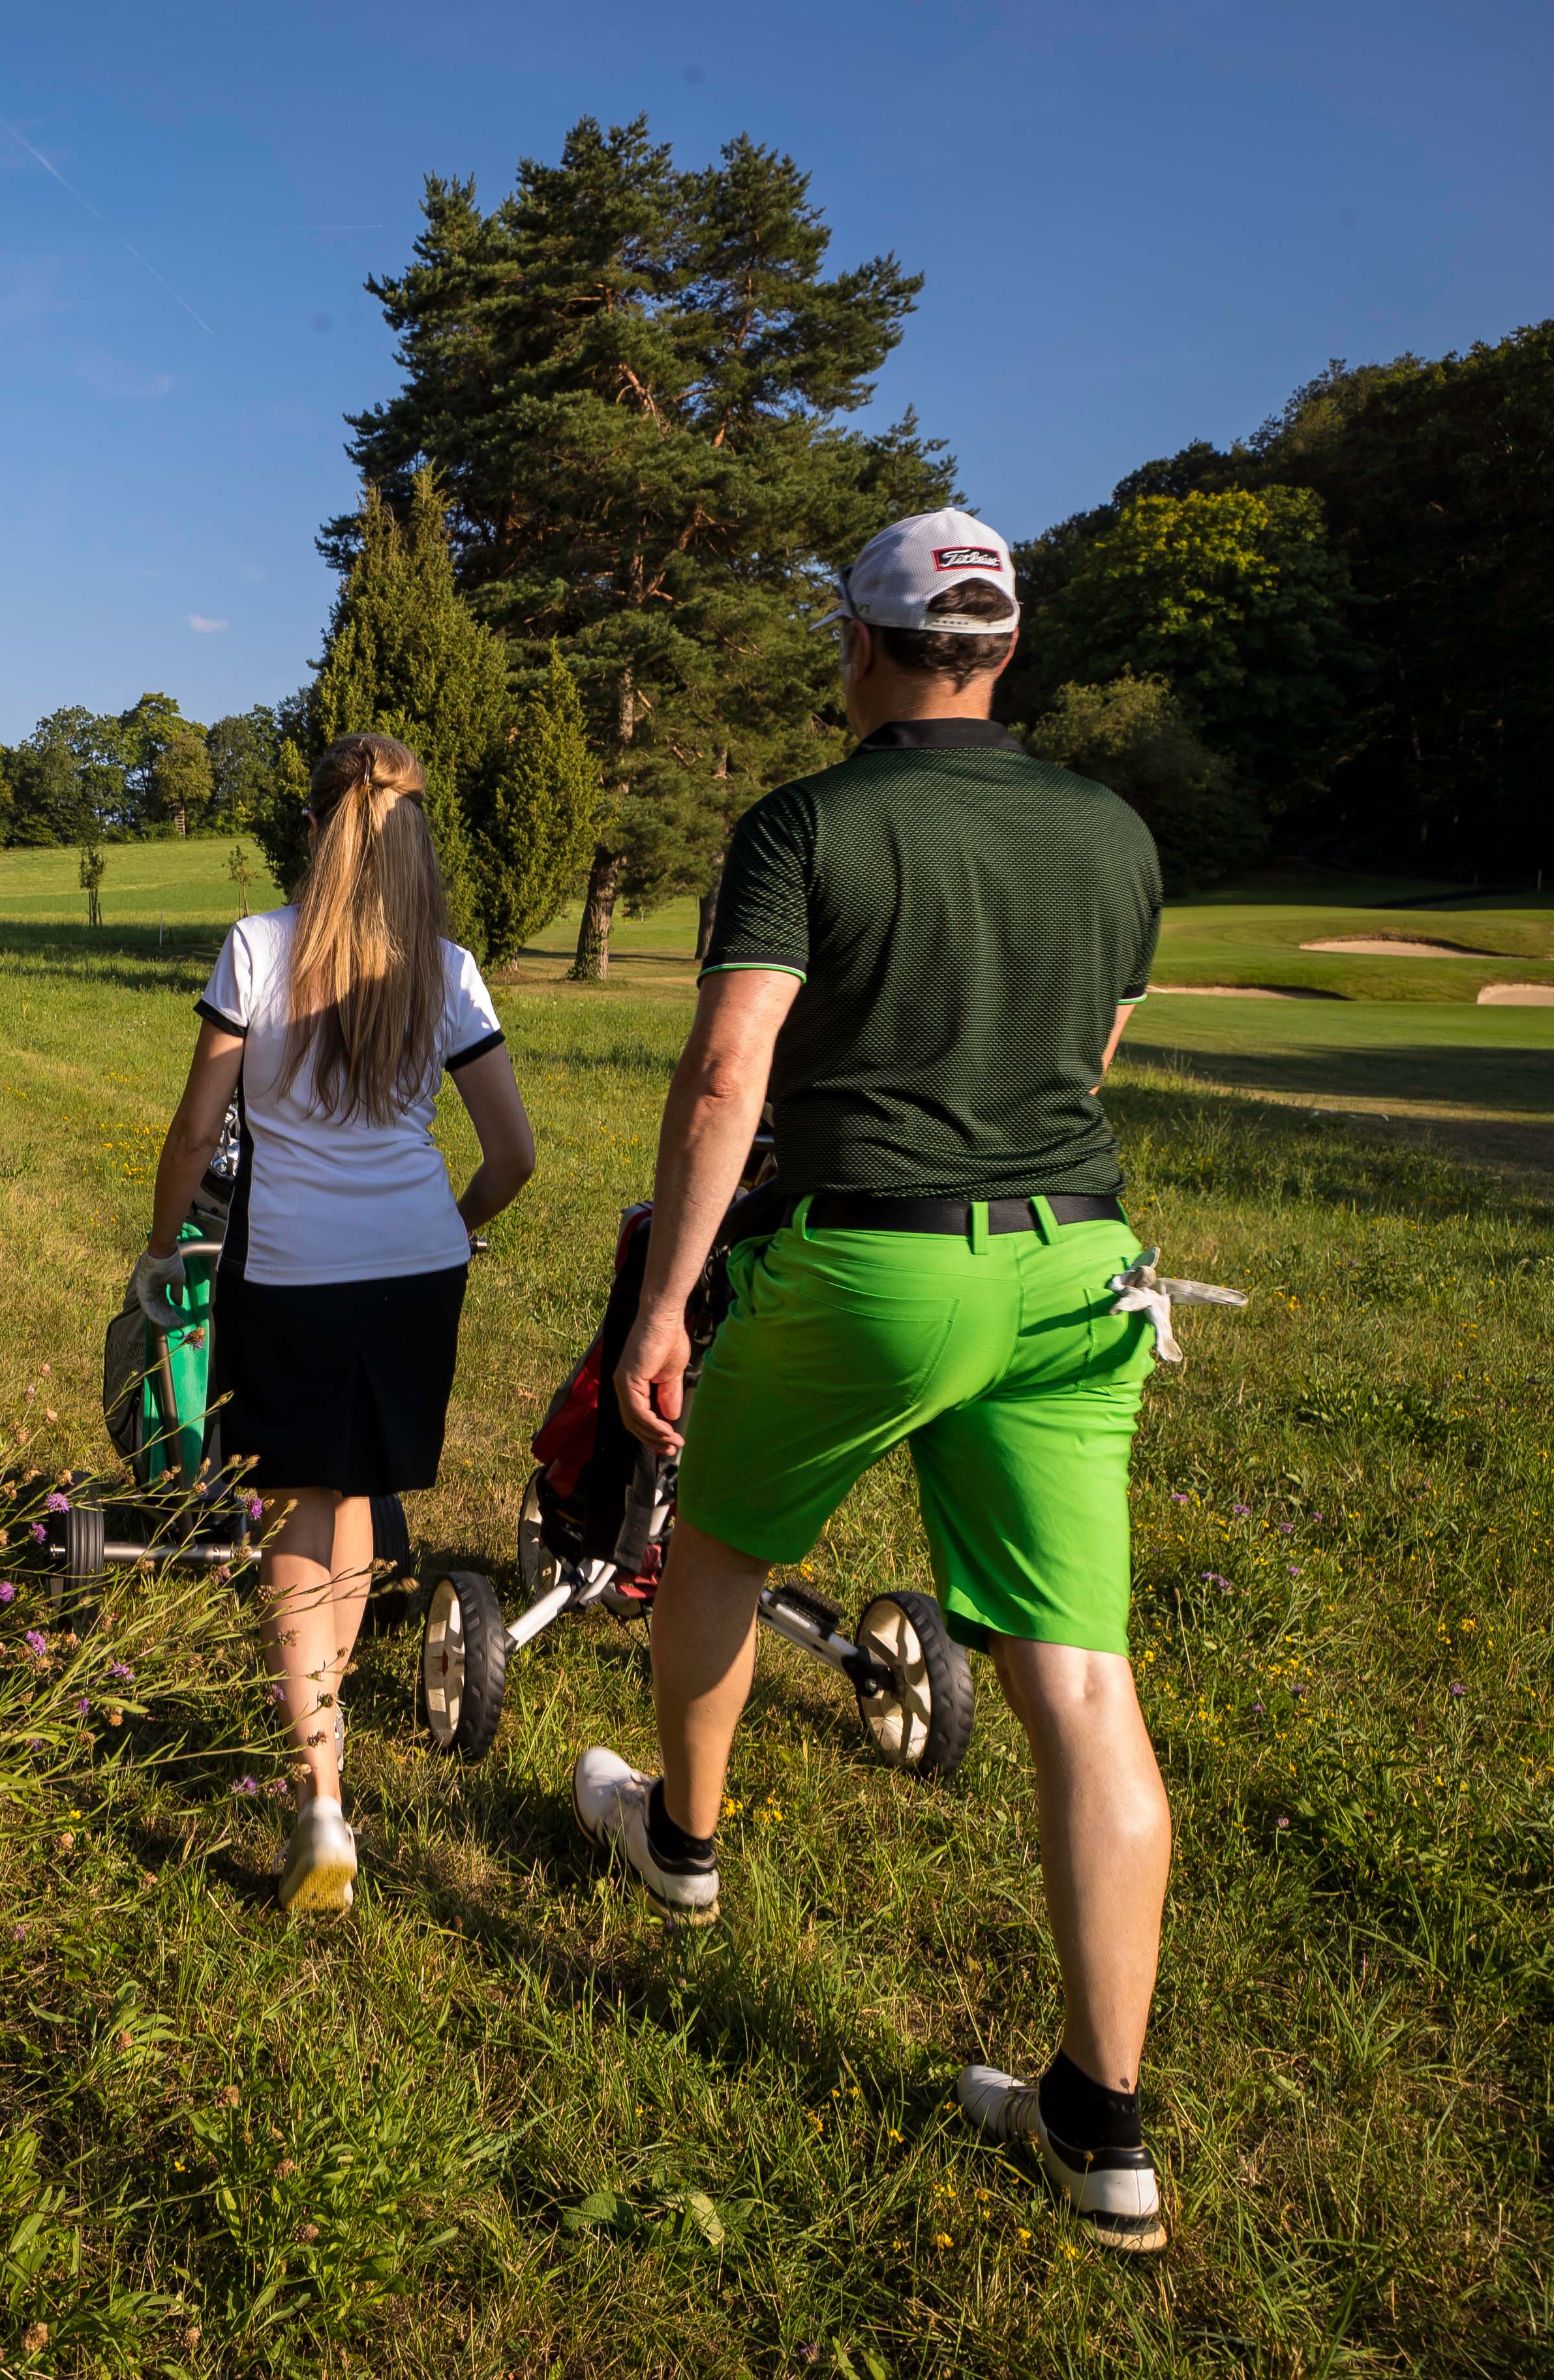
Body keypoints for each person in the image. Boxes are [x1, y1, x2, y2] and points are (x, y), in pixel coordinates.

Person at [570, 510, 1176, 2252]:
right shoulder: (1117, 831)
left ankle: (681, 1851)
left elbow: (723, 1075)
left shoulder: (807, 825)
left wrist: (667, 1301)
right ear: (1006, 653)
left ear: (860, 646)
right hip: (1076, 1265)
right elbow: (1093, 1051)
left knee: (718, 1557)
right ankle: (1102, 2125)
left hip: (871, 1257)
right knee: (1083, 1682)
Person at [142, 731, 537, 1915]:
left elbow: (190, 1130)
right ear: (414, 833)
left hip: (294, 1270)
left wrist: (162, 1255)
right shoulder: (448, 969)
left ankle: (321, 1794)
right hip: (416, 1271)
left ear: (318, 827)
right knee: (359, 1497)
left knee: (304, 1508)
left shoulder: (257, 949)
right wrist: (454, 1230)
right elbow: (513, 1155)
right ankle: (328, 1737)